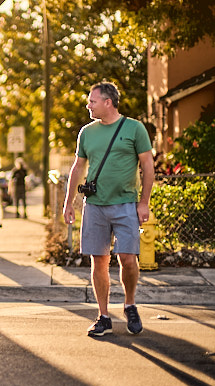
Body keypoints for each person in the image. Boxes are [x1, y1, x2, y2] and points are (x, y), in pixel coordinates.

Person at [63, 81, 154, 337]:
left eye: (92, 101)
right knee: (99, 261)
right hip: (95, 206)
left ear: (108, 102)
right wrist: (68, 202)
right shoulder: (87, 133)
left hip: (126, 204)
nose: (88, 105)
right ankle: (103, 316)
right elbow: (78, 168)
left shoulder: (134, 128)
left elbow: (148, 166)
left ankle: (129, 304)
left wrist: (144, 202)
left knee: (127, 258)